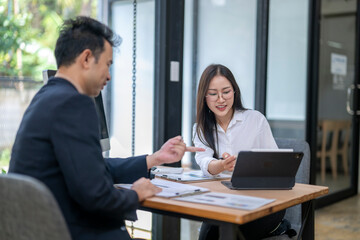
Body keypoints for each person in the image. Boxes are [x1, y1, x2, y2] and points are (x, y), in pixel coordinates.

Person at [9, 16, 203, 240]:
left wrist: (154, 159)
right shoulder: (74, 103)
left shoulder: (46, 97)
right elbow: (95, 196)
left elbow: (94, 168)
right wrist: (135, 195)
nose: (109, 76)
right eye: (108, 64)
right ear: (87, 58)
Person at [193, 64, 291, 240]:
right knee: (212, 234)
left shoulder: (255, 119)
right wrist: (221, 165)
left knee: (224, 234)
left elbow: (276, 164)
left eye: (226, 91)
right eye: (213, 93)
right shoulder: (200, 128)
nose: (221, 99)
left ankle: (277, 226)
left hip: (263, 200)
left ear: (235, 91)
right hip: (222, 201)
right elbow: (203, 161)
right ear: (204, 97)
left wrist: (254, 166)